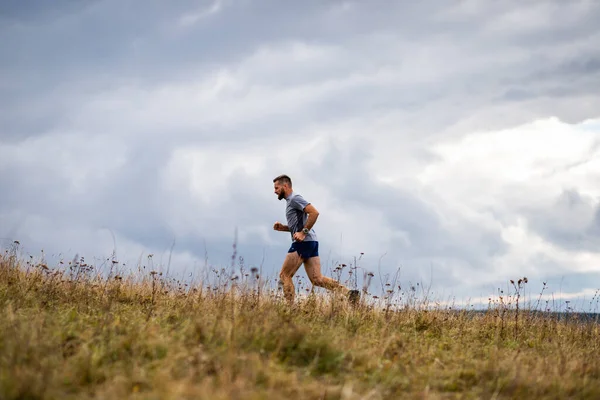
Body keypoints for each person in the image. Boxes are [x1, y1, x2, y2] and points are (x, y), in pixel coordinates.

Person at [272, 174, 360, 305]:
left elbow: (314, 213)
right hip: (311, 242)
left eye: (277, 188)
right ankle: (349, 293)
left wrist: (303, 233)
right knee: (317, 279)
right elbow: (297, 226)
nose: (275, 191)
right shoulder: (291, 201)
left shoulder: (294, 198)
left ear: (285, 186)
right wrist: (283, 228)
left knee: (284, 276)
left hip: (303, 243)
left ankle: (289, 309)